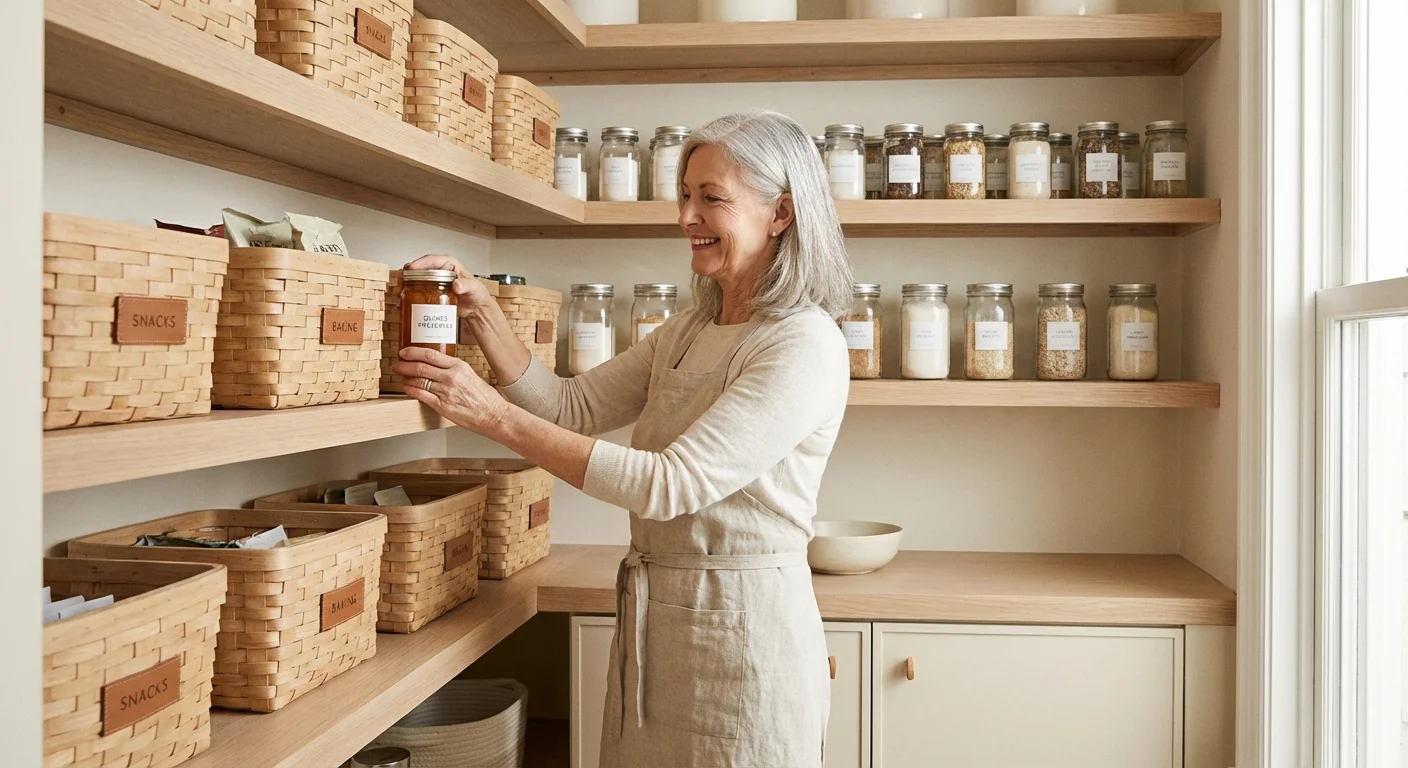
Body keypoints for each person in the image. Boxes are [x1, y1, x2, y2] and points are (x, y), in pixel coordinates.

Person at [393, 110, 853, 767]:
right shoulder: (690, 328)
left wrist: (489, 415)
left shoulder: (803, 343)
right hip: (659, 631)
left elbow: (672, 484)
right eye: (685, 196)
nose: (687, 217)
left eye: (711, 199)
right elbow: (571, 406)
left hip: (746, 636)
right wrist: (482, 313)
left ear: (781, 212)